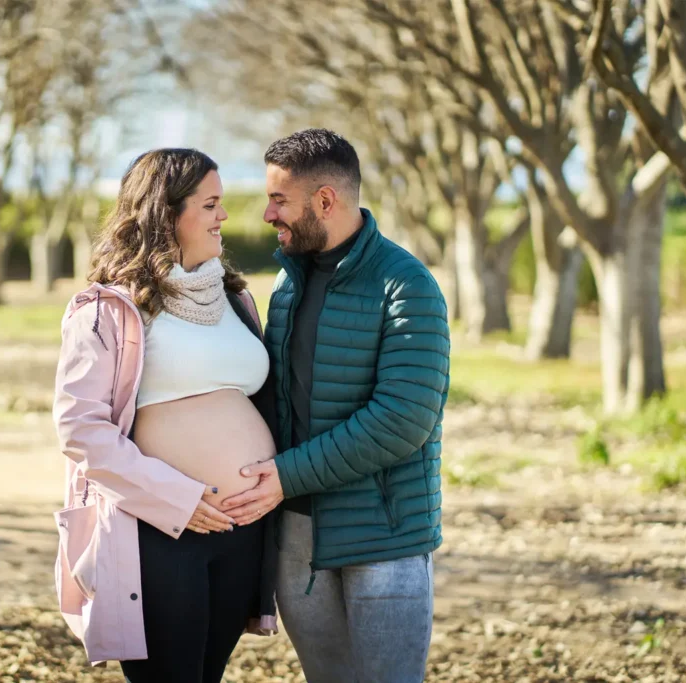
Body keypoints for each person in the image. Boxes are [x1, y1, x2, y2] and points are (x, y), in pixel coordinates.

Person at [223, 129, 451, 682]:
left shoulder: (407, 286)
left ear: (325, 200)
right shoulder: (288, 285)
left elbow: (402, 420)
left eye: (279, 199)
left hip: (384, 540)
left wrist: (285, 476)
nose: (267, 214)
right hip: (298, 541)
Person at [52, 148, 279, 683]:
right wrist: (178, 499)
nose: (224, 215)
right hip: (158, 531)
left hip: (242, 532)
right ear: (167, 212)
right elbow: (81, 429)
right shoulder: (108, 309)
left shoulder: (235, 301)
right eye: (210, 204)